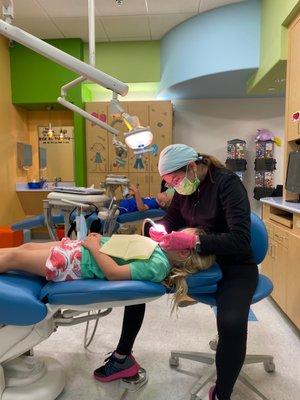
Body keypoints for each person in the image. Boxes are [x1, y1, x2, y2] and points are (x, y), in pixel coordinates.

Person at [100, 143, 258, 400]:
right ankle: (122, 358)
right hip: (188, 260)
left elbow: (241, 239)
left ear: (193, 167)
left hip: (233, 264)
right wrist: (159, 228)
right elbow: (172, 219)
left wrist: (194, 242)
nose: (174, 186)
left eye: (175, 179)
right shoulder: (185, 188)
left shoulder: (227, 185)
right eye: (169, 182)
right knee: (139, 282)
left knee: (231, 323)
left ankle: (222, 393)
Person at [0, 227, 214, 381]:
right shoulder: (158, 249)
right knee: (25, 247)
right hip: (79, 250)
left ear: (183, 252)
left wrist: (94, 247)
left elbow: (113, 273)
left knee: (15, 257)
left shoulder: (158, 265)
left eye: (179, 234)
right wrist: (99, 241)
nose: (174, 232)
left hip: (75, 262)